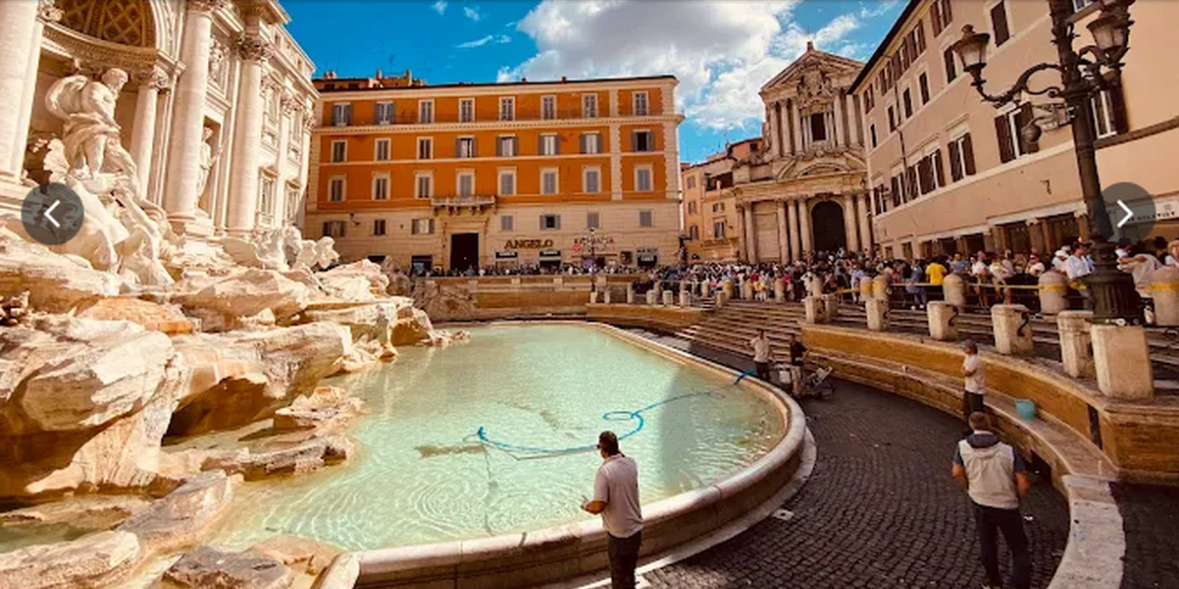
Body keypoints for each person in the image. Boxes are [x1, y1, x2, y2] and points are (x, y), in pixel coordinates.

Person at [952, 412, 1032, 589]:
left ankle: (993, 582)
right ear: (990, 425)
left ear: (972, 426)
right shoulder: (1008, 451)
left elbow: (957, 472)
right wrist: (1018, 498)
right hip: (1006, 504)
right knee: (1018, 548)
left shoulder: (962, 447)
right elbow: (1023, 482)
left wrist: (968, 488)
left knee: (987, 543)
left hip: (980, 500)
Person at [582, 431, 643, 589]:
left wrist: (585, 505)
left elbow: (599, 506)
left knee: (618, 577)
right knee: (629, 573)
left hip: (619, 535)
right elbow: (621, 456)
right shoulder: (631, 463)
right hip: (636, 529)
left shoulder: (604, 472)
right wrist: (609, 449)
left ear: (602, 450)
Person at [961, 340, 986, 423]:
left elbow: (966, 373)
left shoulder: (975, 360)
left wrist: (964, 371)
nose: (963, 350)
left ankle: (979, 428)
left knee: (976, 411)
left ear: (971, 349)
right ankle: (970, 427)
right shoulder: (967, 357)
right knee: (967, 409)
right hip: (969, 387)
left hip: (976, 389)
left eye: (965, 348)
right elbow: (962, 369)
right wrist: (964, 370)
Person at [786, 333, 809, 397]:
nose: (789, 339)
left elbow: (807, 351)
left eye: (790, 338)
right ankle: (796, 392)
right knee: (794, 379)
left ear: (794, 338)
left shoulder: (798, 345)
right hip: (793, 364)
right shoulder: (790, 345)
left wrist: (802, 358)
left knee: (799, 379)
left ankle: (801, 392)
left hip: (799, 365)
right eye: (788, 338)